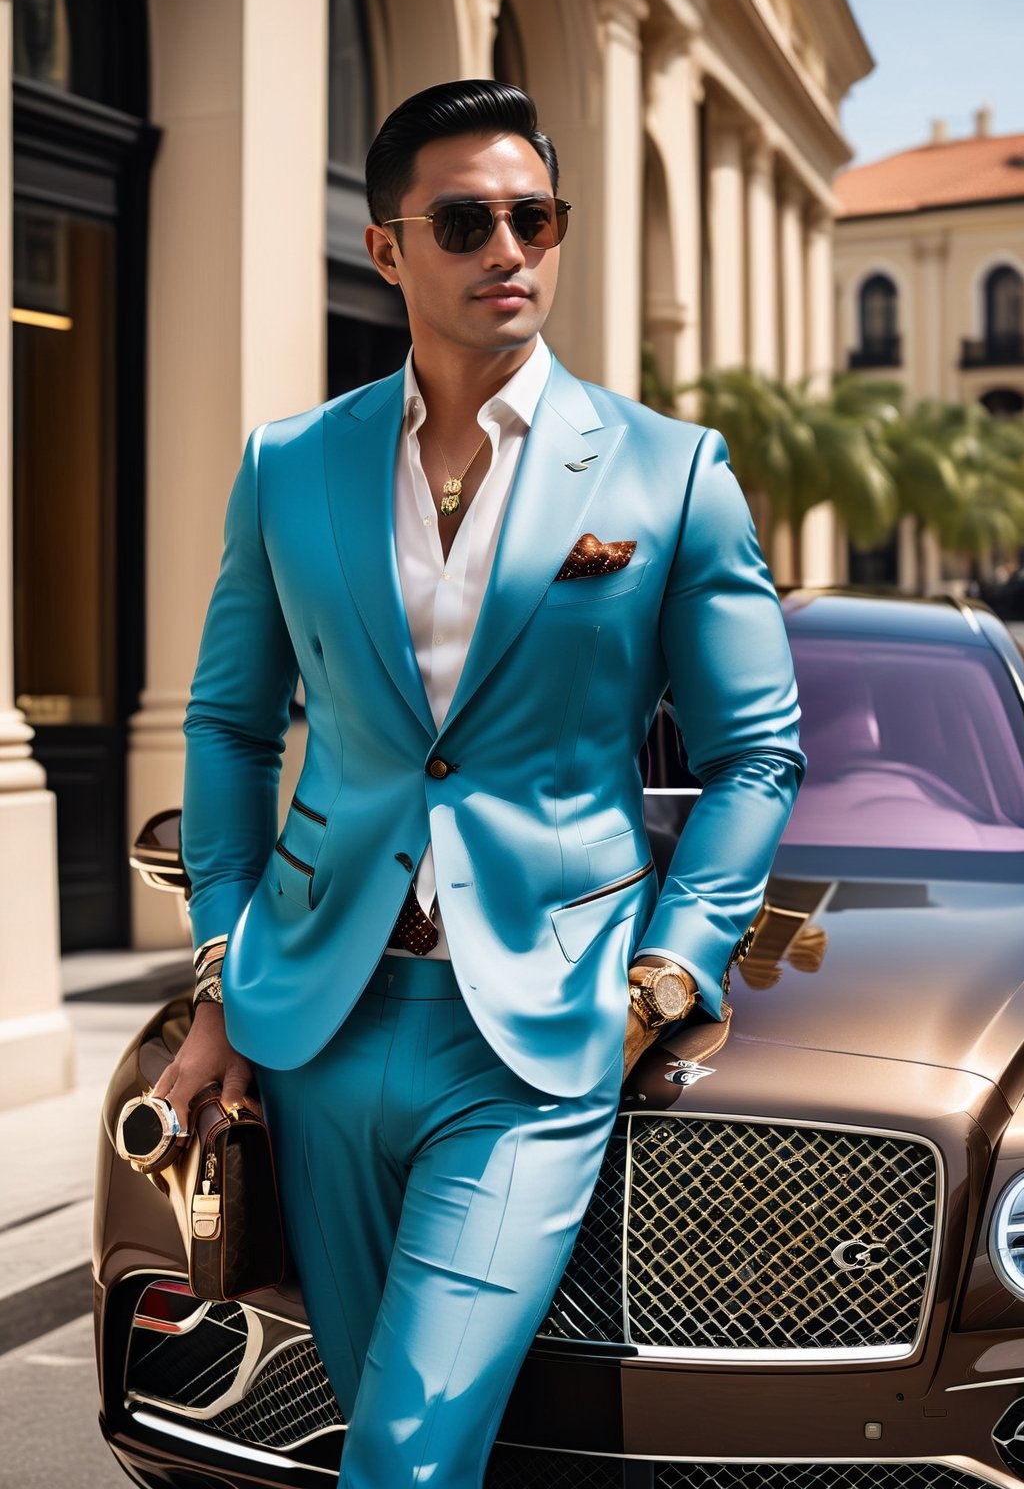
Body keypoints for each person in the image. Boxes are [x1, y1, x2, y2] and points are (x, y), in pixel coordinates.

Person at [155, 79, 805, 1488]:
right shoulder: (290, 467)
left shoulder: (669, 472)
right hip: (319, 1021)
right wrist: (222, 968)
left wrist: (670, 971)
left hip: (539, 1032)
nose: (510, 247)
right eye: (466, 221)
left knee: (400, 1454)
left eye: (534, 216)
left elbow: (757, 750)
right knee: (412, 1433)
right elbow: (227, 725)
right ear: (389, 250)